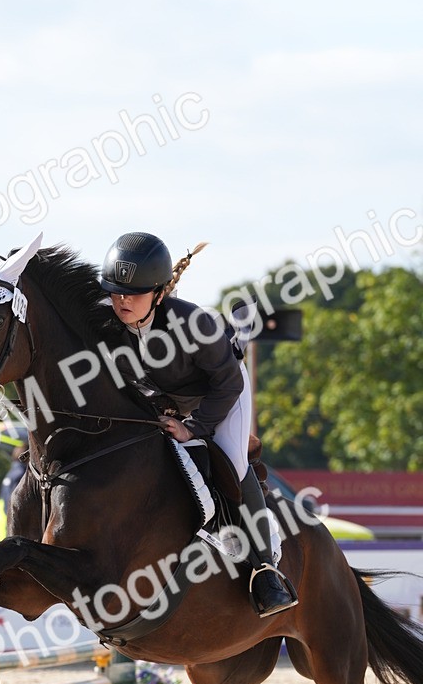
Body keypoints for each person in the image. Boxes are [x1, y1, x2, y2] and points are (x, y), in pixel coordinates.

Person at [99, 231, 297, 617]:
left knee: (233, 465)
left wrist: (196, 429)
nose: (121, 300)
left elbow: (228, 384)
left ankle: (264, 570)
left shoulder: (194, 324)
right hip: (168, 400)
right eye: (115, 291)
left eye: (133, 293)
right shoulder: (106, 318)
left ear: (158, 294)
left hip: (222, 396)